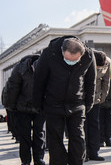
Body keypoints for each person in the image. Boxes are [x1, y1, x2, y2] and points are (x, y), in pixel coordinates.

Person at [33, 36, 96, 165]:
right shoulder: (49, 54)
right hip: (53, 104)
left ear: (81, 54)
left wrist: (88, 103)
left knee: (78, 139)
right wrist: (37, 104)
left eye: (75, 60)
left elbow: (91, 81)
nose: (70, 62)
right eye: (67, 59)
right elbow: (39, 80)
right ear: (62, 51)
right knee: (55, 140)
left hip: (77, 104)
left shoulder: (88, 56)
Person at [5, 54, 46, 165]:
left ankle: (39, 159)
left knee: (40, 134)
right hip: (23, 107)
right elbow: (13, 88)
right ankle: (26, 160)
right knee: (24, 135)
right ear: (31, 65)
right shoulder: (20, 68)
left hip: (40, 108)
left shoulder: (46, 67)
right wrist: (11, 106)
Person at [84, 50, 111, 161]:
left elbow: (106, 80)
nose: (99, 69)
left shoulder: (108, 62)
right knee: (83, 126)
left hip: (96, 100)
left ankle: (94, 152)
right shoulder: (84, 60)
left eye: (101, 67)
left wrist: (103, 96)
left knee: (94, 125)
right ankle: (84, 152)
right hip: (82, 98)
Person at [99, 64, 111, 147]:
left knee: (109, 122)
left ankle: (109, 139)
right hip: (101, 103)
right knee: (100, 122)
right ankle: (101, 140)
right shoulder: (102, 76)